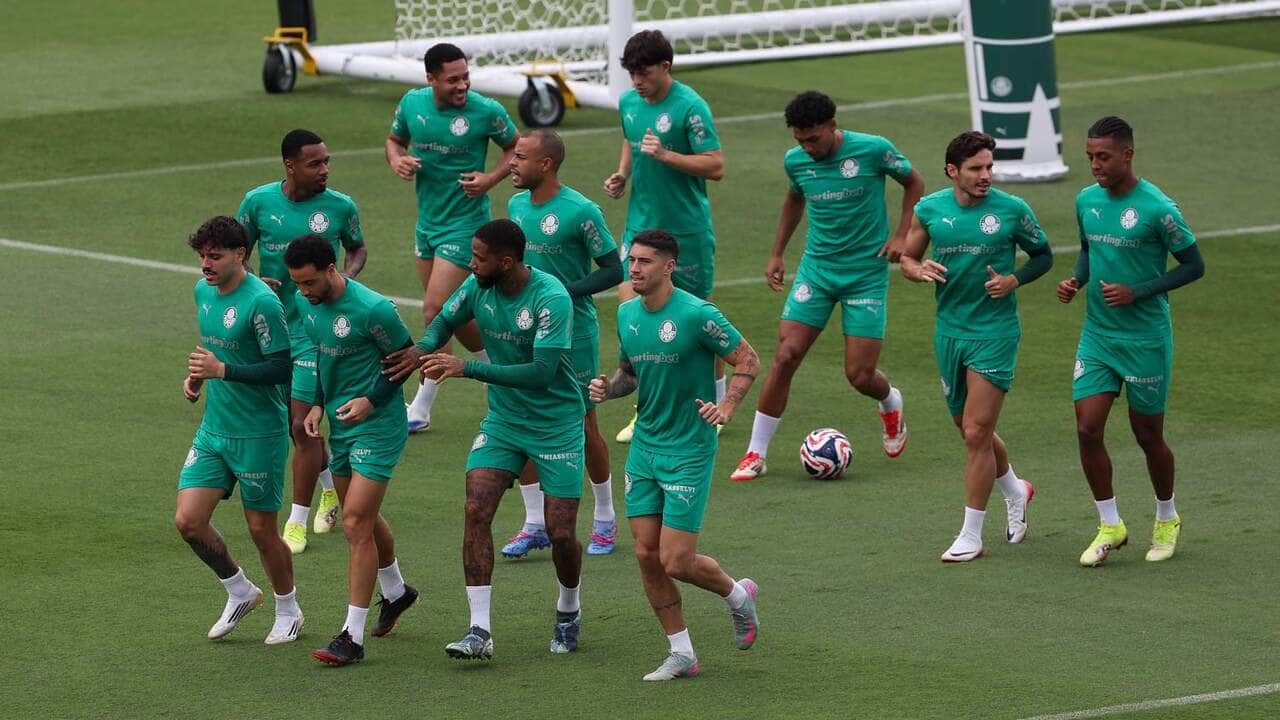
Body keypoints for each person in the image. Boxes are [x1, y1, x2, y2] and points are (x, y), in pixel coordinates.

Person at [383, 219, 588, 659]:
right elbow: (445, 319)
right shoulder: (478, 286)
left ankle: (568, 608)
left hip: (556, 423)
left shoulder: (551, 298)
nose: (471, 263)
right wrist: (424, 348)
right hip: (504, 422)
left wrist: (467, 368)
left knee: (562, 532)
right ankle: (479, 630)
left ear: (506, 262)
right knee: (476, 506)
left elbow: (542, 373)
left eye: (478, 258)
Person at [589, 229, 762, 681]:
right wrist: (609, 389)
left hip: (688, 449)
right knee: (647, 554)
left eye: (646, 262)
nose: (635, 269)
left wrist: (726, 407)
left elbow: (748, 360)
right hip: (645, 447)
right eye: (632, 261)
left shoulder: (697, 314)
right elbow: (630, 373)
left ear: (668, 266)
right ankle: (681, 652)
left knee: (676, 561)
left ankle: (737, 596)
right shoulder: (627, 313)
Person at [730, 91, 925, 482]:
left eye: (813, 139)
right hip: (817, 270)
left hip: (865, 273)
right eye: (800, 141)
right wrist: (777, 253)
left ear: (833, 127)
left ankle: (890, 400)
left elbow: (914, 183)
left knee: (859, 374)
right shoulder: (796, 161)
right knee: (786, 355)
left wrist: (903, 234)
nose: (807, 148)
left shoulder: (872, 150)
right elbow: (793, 198)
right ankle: (756, 453)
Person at [899, 131, 1053, 562]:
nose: (986, 175)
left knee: (975, 432)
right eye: (976, 169)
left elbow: (1043, 255)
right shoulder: (929, 210)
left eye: (989, 167)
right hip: (949, 331)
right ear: (953, 171)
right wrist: (914, 268)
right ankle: (1016, 488)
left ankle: (971, 534)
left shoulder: (1011, 210)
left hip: (995, 332)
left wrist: (1014, 279)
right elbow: (908, 257)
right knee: (966, 427)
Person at [1058, 116, 1205, 567]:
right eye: (1089, 157)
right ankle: (1110, 524)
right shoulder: (1087, 200)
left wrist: (1136, 292)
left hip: (1144, 337)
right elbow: (1089, 249)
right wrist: (1077, 281)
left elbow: (1193, 265)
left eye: (1103, 157)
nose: (1095, 165)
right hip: (1098, 335)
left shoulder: (1158, 208)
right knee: (1087, 427)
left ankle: (1166, 517)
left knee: (1147, 434)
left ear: (1127, 154)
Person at [284, 235, 420, 666]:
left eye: (308, 283)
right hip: (342, 424)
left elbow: (405, 359)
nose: (303, 293)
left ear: (331, 269)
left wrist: (371, 400)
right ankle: (397, 592)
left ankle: (352, 636)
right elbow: (325, 359)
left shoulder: (374, 309)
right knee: (360, 514)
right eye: (297, 285)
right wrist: (320, 404)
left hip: (378, 425)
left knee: (356, 521)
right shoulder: (307, 305)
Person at [175, 215, 302, 645]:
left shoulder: (262, 302)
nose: (205, 265)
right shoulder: (203, 292)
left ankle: (289, 609)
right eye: (202, 256)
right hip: (215, 429)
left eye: (215, 256)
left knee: (262, 531)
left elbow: (282, 367)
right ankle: (239, 590)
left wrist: (222, 370)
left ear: (240, 255)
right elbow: (216, 348)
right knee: (188, 521)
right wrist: (199, 376)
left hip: (258, 433)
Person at [238, 128, 365, 554]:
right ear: (290, 165)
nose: (325, 170)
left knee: (301, 423)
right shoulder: (257, 203)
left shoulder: (341, 206)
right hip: (271, 330)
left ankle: (294, 523)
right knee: (290, 428)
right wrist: (255, 281)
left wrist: (343, 281)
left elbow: (358, 249)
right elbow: (239, 253)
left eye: (327, 161)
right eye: (315, 163)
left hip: (316, 330)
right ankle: (329, 488)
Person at [501, 129, 625, 559]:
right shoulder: (515, 205)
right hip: (525, 333)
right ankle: (535, 522)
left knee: (585, 424)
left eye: (520, 157)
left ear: (546, 165)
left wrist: (560, 294)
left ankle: (606, 519)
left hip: (574, 334)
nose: (511, 164)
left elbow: (613, 269)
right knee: (526, 420)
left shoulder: (580, 211)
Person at [387, 42, 520, 434]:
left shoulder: (486, 111)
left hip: (466, 227)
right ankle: (500, 371)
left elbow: (516, 147)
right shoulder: (412, 105)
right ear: (431, 79)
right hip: (427, 225)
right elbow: (394, 140)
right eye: (453, 79)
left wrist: (490, 179)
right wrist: (398, 159)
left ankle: (422, 406)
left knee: (434, 310)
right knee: (455, 317)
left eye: (466, 76)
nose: (462, 85)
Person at [602, 30, 726, 443]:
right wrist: (624, 172)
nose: (636, 80)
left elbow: (716, 165)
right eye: (631, 73)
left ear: (665, 67)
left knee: (700, 322)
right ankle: (647, 410)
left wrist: (666, 156)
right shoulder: (628, 103)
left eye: (644, 72)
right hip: (640, 226)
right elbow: (629, 136)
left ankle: (719, 404)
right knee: (634, 313)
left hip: (686, 230)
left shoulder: (691, 107)